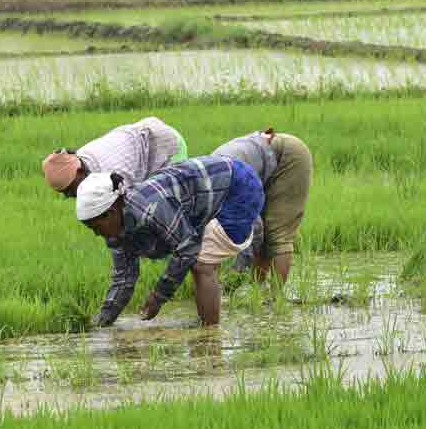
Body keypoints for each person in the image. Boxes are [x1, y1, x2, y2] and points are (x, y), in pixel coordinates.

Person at [77, 155, 265, 328]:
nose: (97, 234)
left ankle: (209, 337)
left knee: (201, 265)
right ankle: (207, 321)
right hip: (206, 197)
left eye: (96, 227)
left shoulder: (151, 208)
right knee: (203, 257)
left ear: (110, 213)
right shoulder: (116, 232)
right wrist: (101, 323)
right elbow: (124, 278)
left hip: (238, 187)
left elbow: (187, 249)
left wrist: (159, 296)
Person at [212, 129, 313, 283]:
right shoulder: (208, 187)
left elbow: (256, 227)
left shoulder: (224, 186)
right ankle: (257, 288)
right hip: (264, 153)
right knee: (263, 230)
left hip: (288, 155)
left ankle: (275, 295)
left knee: (278, 234)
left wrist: (236, 276)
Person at [42, 117, 188, 198]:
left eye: (69, 190)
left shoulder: (112, 175)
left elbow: (134, 206)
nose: (69, 196)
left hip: (165, 145)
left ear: (79, 172)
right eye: (64, 193)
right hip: (141, 142)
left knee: (167, 202)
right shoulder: (77, 160)